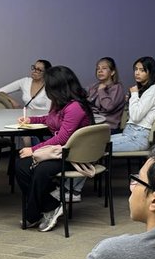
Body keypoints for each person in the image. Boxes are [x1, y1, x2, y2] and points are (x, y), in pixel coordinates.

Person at [14, 65, 95, 233]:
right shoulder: (59, 104)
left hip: (74, 155)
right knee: (21, 166)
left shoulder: (75, 107)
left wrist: (33, 149)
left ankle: (34, 214)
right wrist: (31, 119)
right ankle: (51, 206)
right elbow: (50, 119)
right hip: (59, 152)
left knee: (40, 171)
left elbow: (62, 138)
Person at [111, 57, 155, 152]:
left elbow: (136, 116)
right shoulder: (144, 90)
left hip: (137, 138)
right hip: (129, 134)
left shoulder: (154, 91)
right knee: (96, 143)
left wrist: (134, 95)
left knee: (98, 147)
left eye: (142, 70)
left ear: (150, 72)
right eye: (136, 69)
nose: (137, 73)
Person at [87, 57, 126, 131]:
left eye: (104, 68)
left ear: (112, 72)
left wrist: (101, 90)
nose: (100, 71)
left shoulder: (117, 88)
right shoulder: (94, 86)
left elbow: (108, 106)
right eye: (98, 69)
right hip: (92, 124)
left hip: (107, 128)